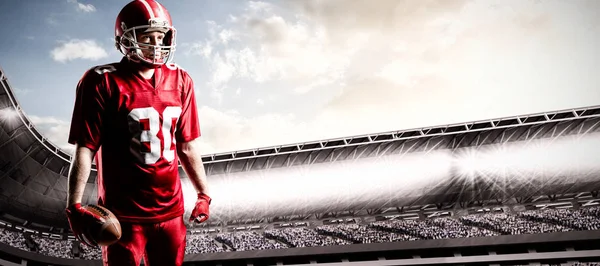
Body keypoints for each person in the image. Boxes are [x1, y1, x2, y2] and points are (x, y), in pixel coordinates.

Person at [64, 0, 211, 265]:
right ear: (126, 39)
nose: (156, 45)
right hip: (123, 214)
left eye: (161, 36)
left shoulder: (182, 79)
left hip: (171, 212)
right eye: (147, 37)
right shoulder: (101, 81)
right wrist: (74, 204)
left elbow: (187, 146)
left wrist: (203, 194)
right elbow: (85, 148)